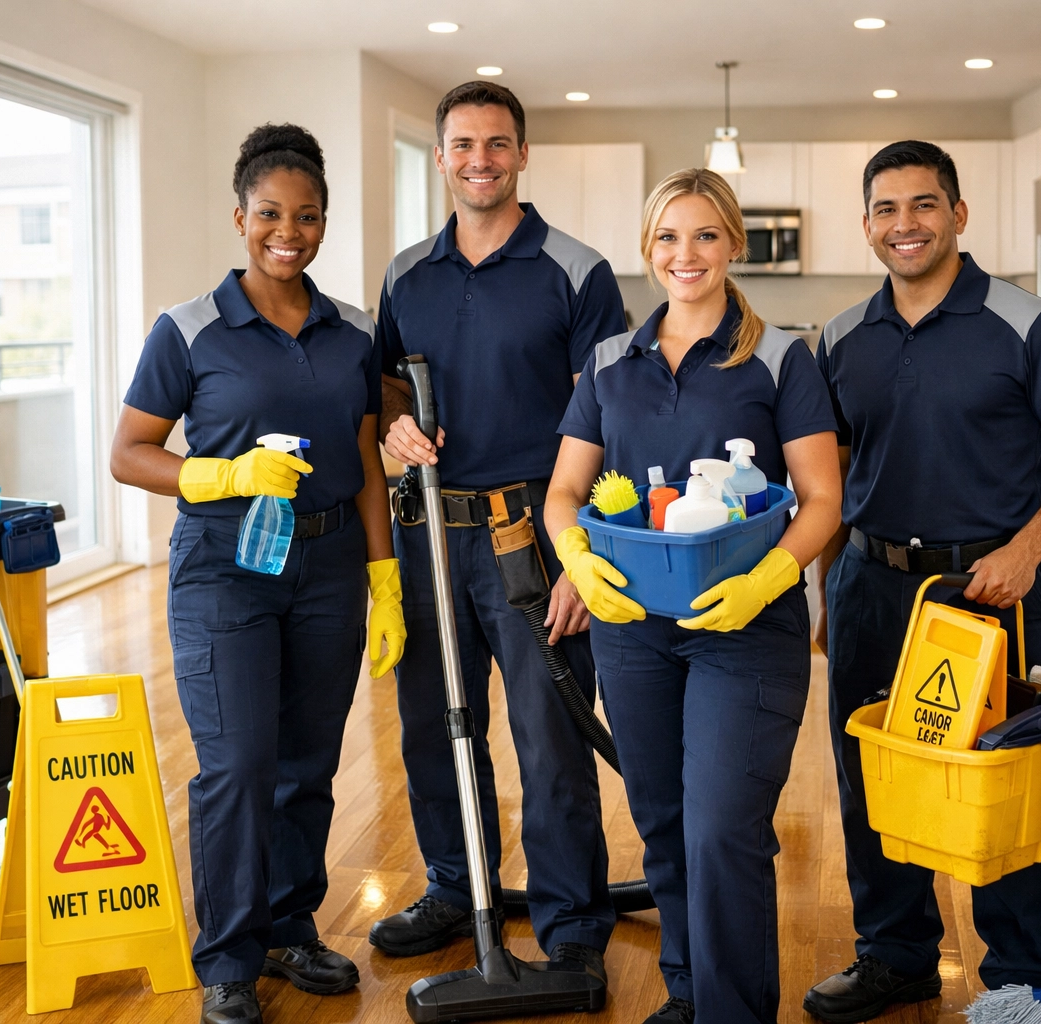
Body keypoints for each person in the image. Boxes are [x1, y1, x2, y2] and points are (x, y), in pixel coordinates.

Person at [803, 140, 1041, 1022]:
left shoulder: (1029, 324)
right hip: (874, 585)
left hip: (994, 589)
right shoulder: (840, 338)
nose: (904, 224)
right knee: (877, 773)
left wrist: (1027, 551)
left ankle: (1021, 971)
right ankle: (896, 954)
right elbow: (830, 479)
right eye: (886, 209)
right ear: (866, 223)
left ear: (958, 214)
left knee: (1009, 777)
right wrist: (826, 591)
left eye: (923, 205)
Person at [111, 123, 405, 1024]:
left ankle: (289, 924)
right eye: (272, 213)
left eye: (308, 216)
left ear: (323, 224)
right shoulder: (189, 329)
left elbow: (363, 457)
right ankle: (231, 957)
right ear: (240, 217)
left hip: (325, 568)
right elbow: (129, 454)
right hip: (223, 566)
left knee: (309, 762)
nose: (291, 230)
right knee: (238, 763)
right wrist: (219, 473)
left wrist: (383, 577)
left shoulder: (353, 331)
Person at [545, 168, 842, 1024]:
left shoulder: (781, 356)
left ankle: (732, 1013)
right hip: (633, 632)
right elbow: (565, 491)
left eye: (705, 235)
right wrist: (578, 557)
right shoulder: (609, 363)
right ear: (647, 249)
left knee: (721, 826)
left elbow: (823, 496)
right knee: (665, 820)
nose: (687, 254)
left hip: (744, 632)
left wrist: (770, 578)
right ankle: (690, 993)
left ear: (734, 245)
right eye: (669, 237)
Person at [369, 81, 625, 986]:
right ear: (441, 157)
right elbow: (389, 393)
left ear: (522, 154)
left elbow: (614, 421)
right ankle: (453, 885)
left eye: (497, 143)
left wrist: (583, 558)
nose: (480, 158)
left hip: (534, 535)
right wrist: (398, 428)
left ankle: (571, 913)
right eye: (463, 144)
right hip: (429, 534)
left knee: (551, 731)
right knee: (436, 726)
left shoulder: (575, 269)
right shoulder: (406, 275)